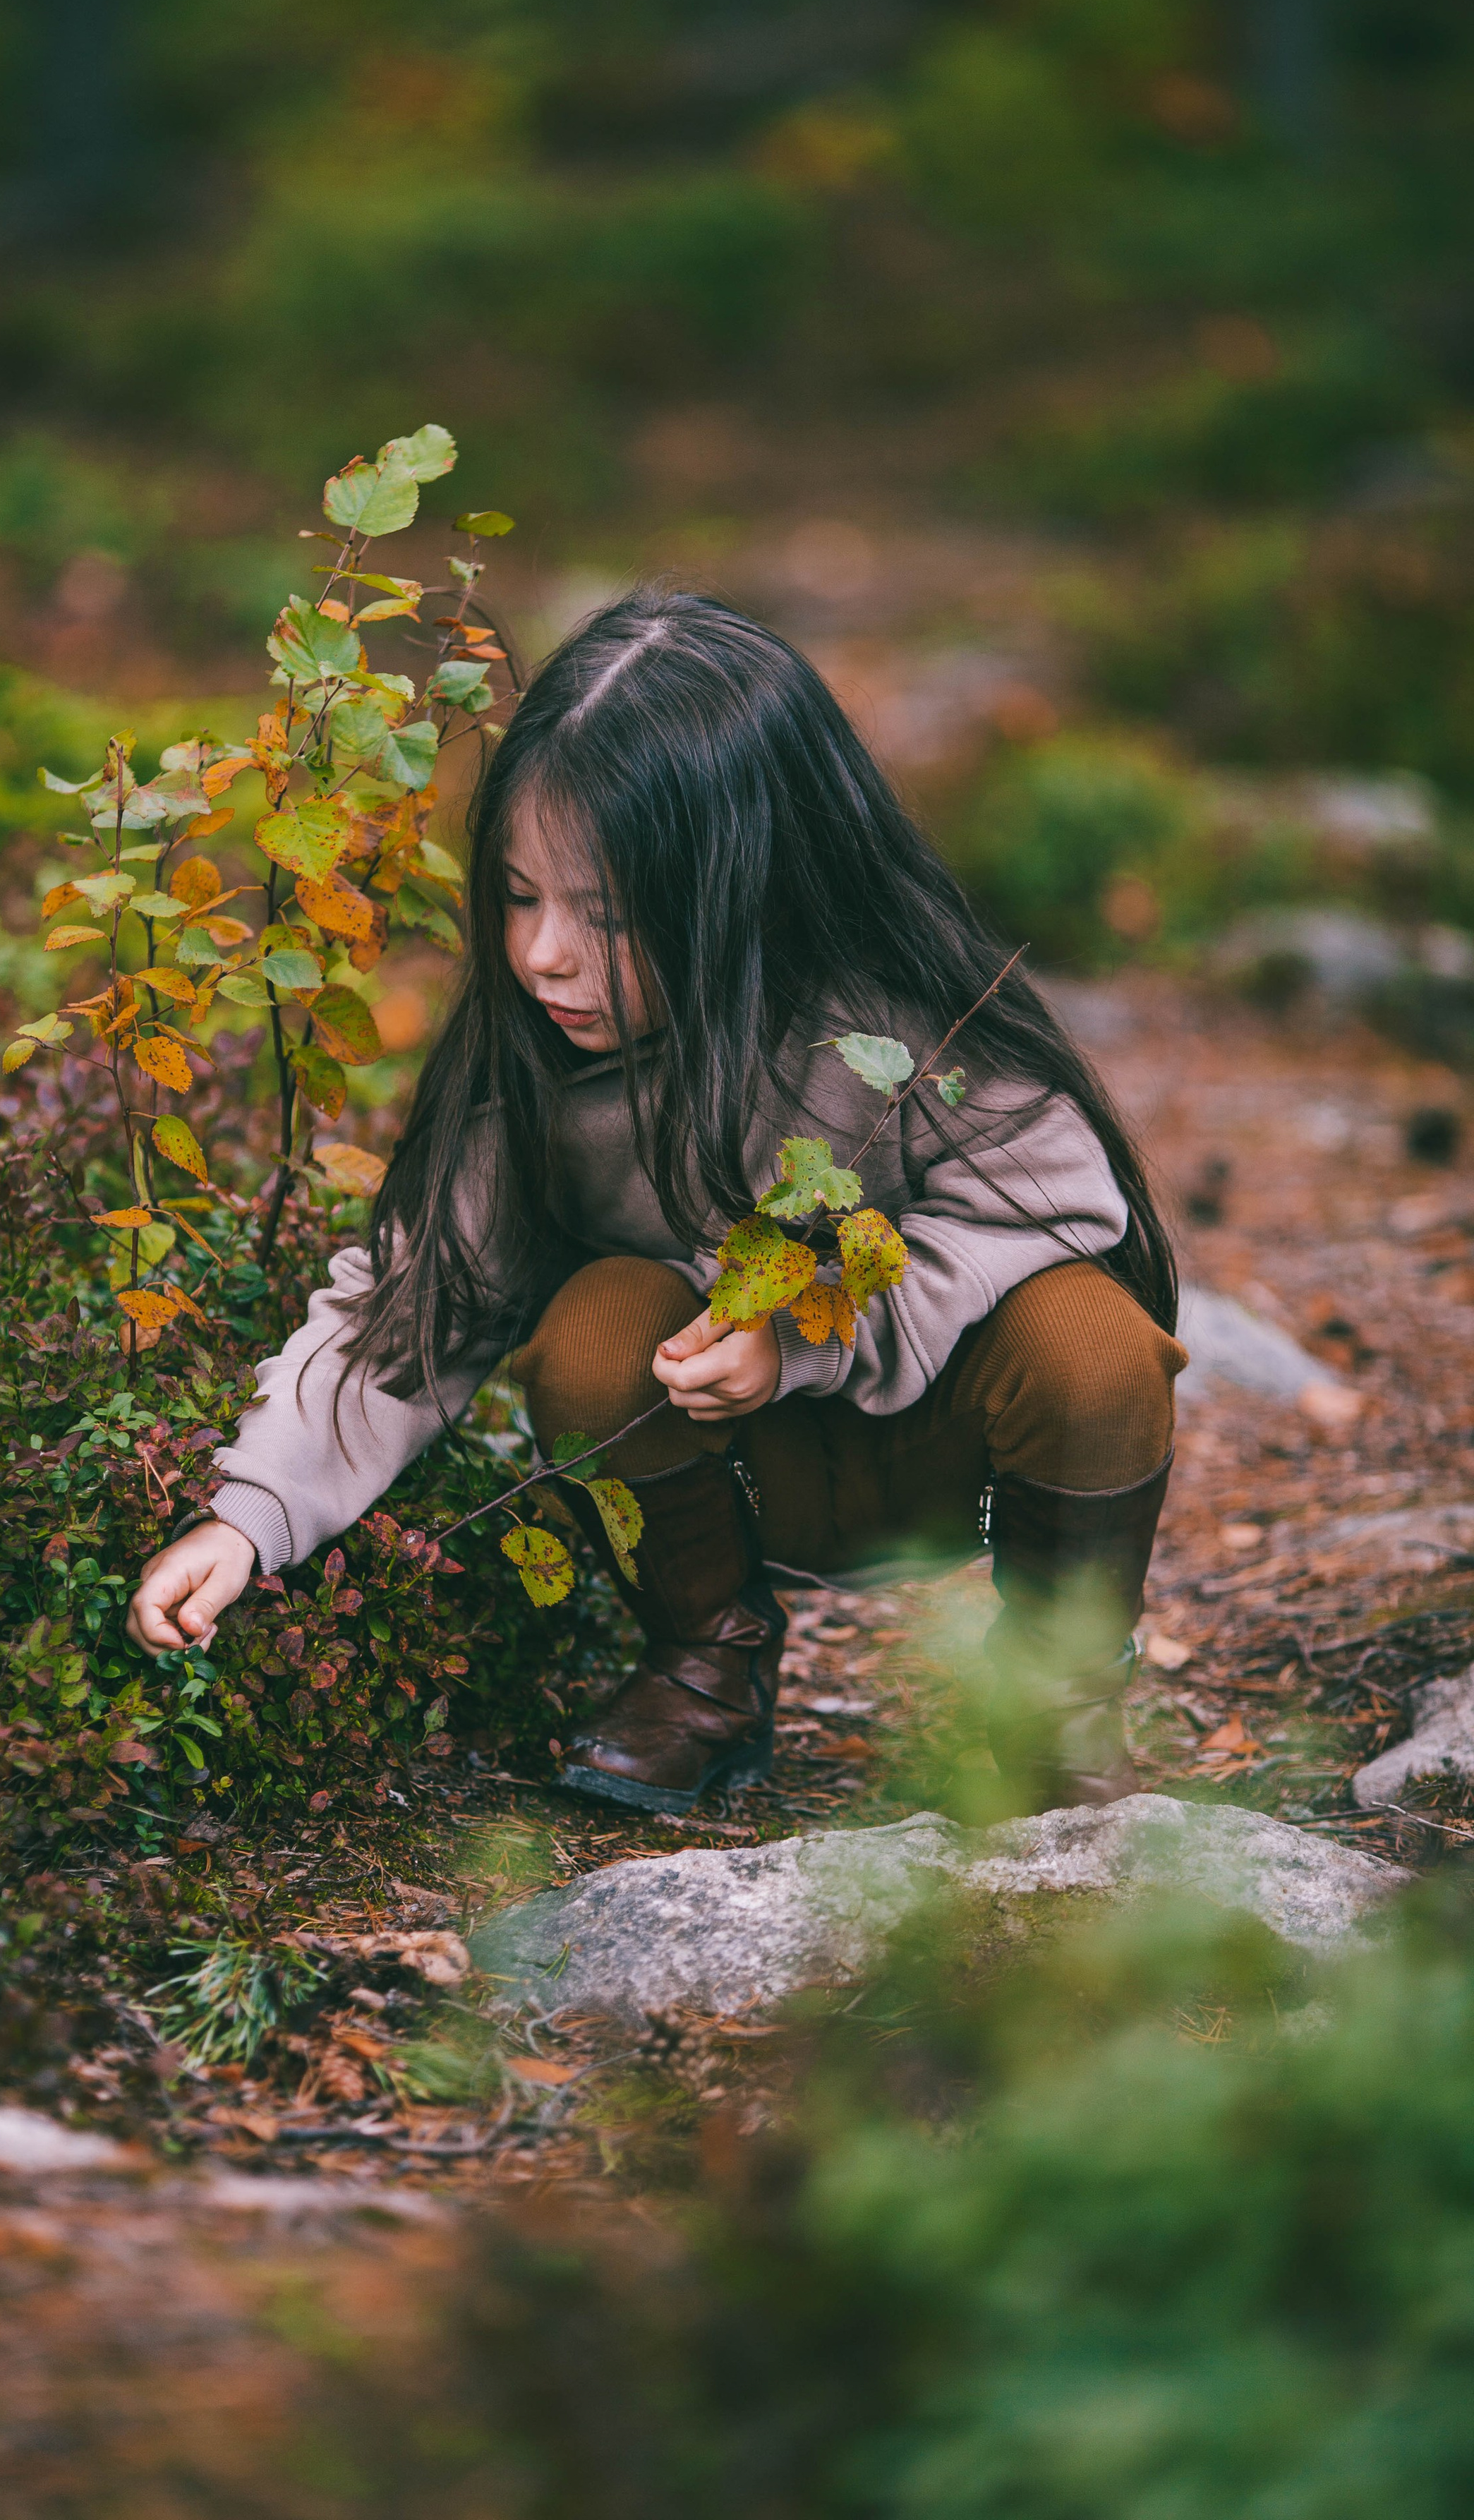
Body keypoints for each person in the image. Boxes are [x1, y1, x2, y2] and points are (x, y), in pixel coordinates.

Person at [127, 590, 1185, 1815]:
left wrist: (804, 1333)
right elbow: (410, 1312)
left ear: (755, 887)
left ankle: (1056, 1704)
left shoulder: (902, 1025)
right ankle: (705, 1669)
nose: (542, 957)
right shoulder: (533, 1077)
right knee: (595, 1328)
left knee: (1093, 1341)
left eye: (609, 916)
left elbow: (1063, 1205)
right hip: (737, 1483)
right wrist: (246, 1518)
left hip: (956, 1455)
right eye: (520, 896)